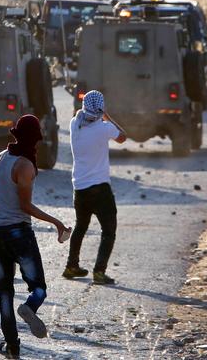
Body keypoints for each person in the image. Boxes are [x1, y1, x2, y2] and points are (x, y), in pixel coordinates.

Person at [0, 115, 71, 359]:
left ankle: (12, 347)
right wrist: (56, 222)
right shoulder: (25, 166)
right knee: (38, 288)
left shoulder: (2, 157)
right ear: (33, 139)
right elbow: (26, 206)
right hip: (20, 233)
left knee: (4, 292)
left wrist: (1, 199)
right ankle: (29, 308)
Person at [63, 90, 126, 285]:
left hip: (79, 187)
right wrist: (107, 115)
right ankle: (99, 271)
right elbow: (122, 137)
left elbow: (79, 114)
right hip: (99, 188)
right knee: (108, 230)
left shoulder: (75, 124)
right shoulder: (104, 128)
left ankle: (71, 266)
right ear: (101, 109)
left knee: (81, 226)